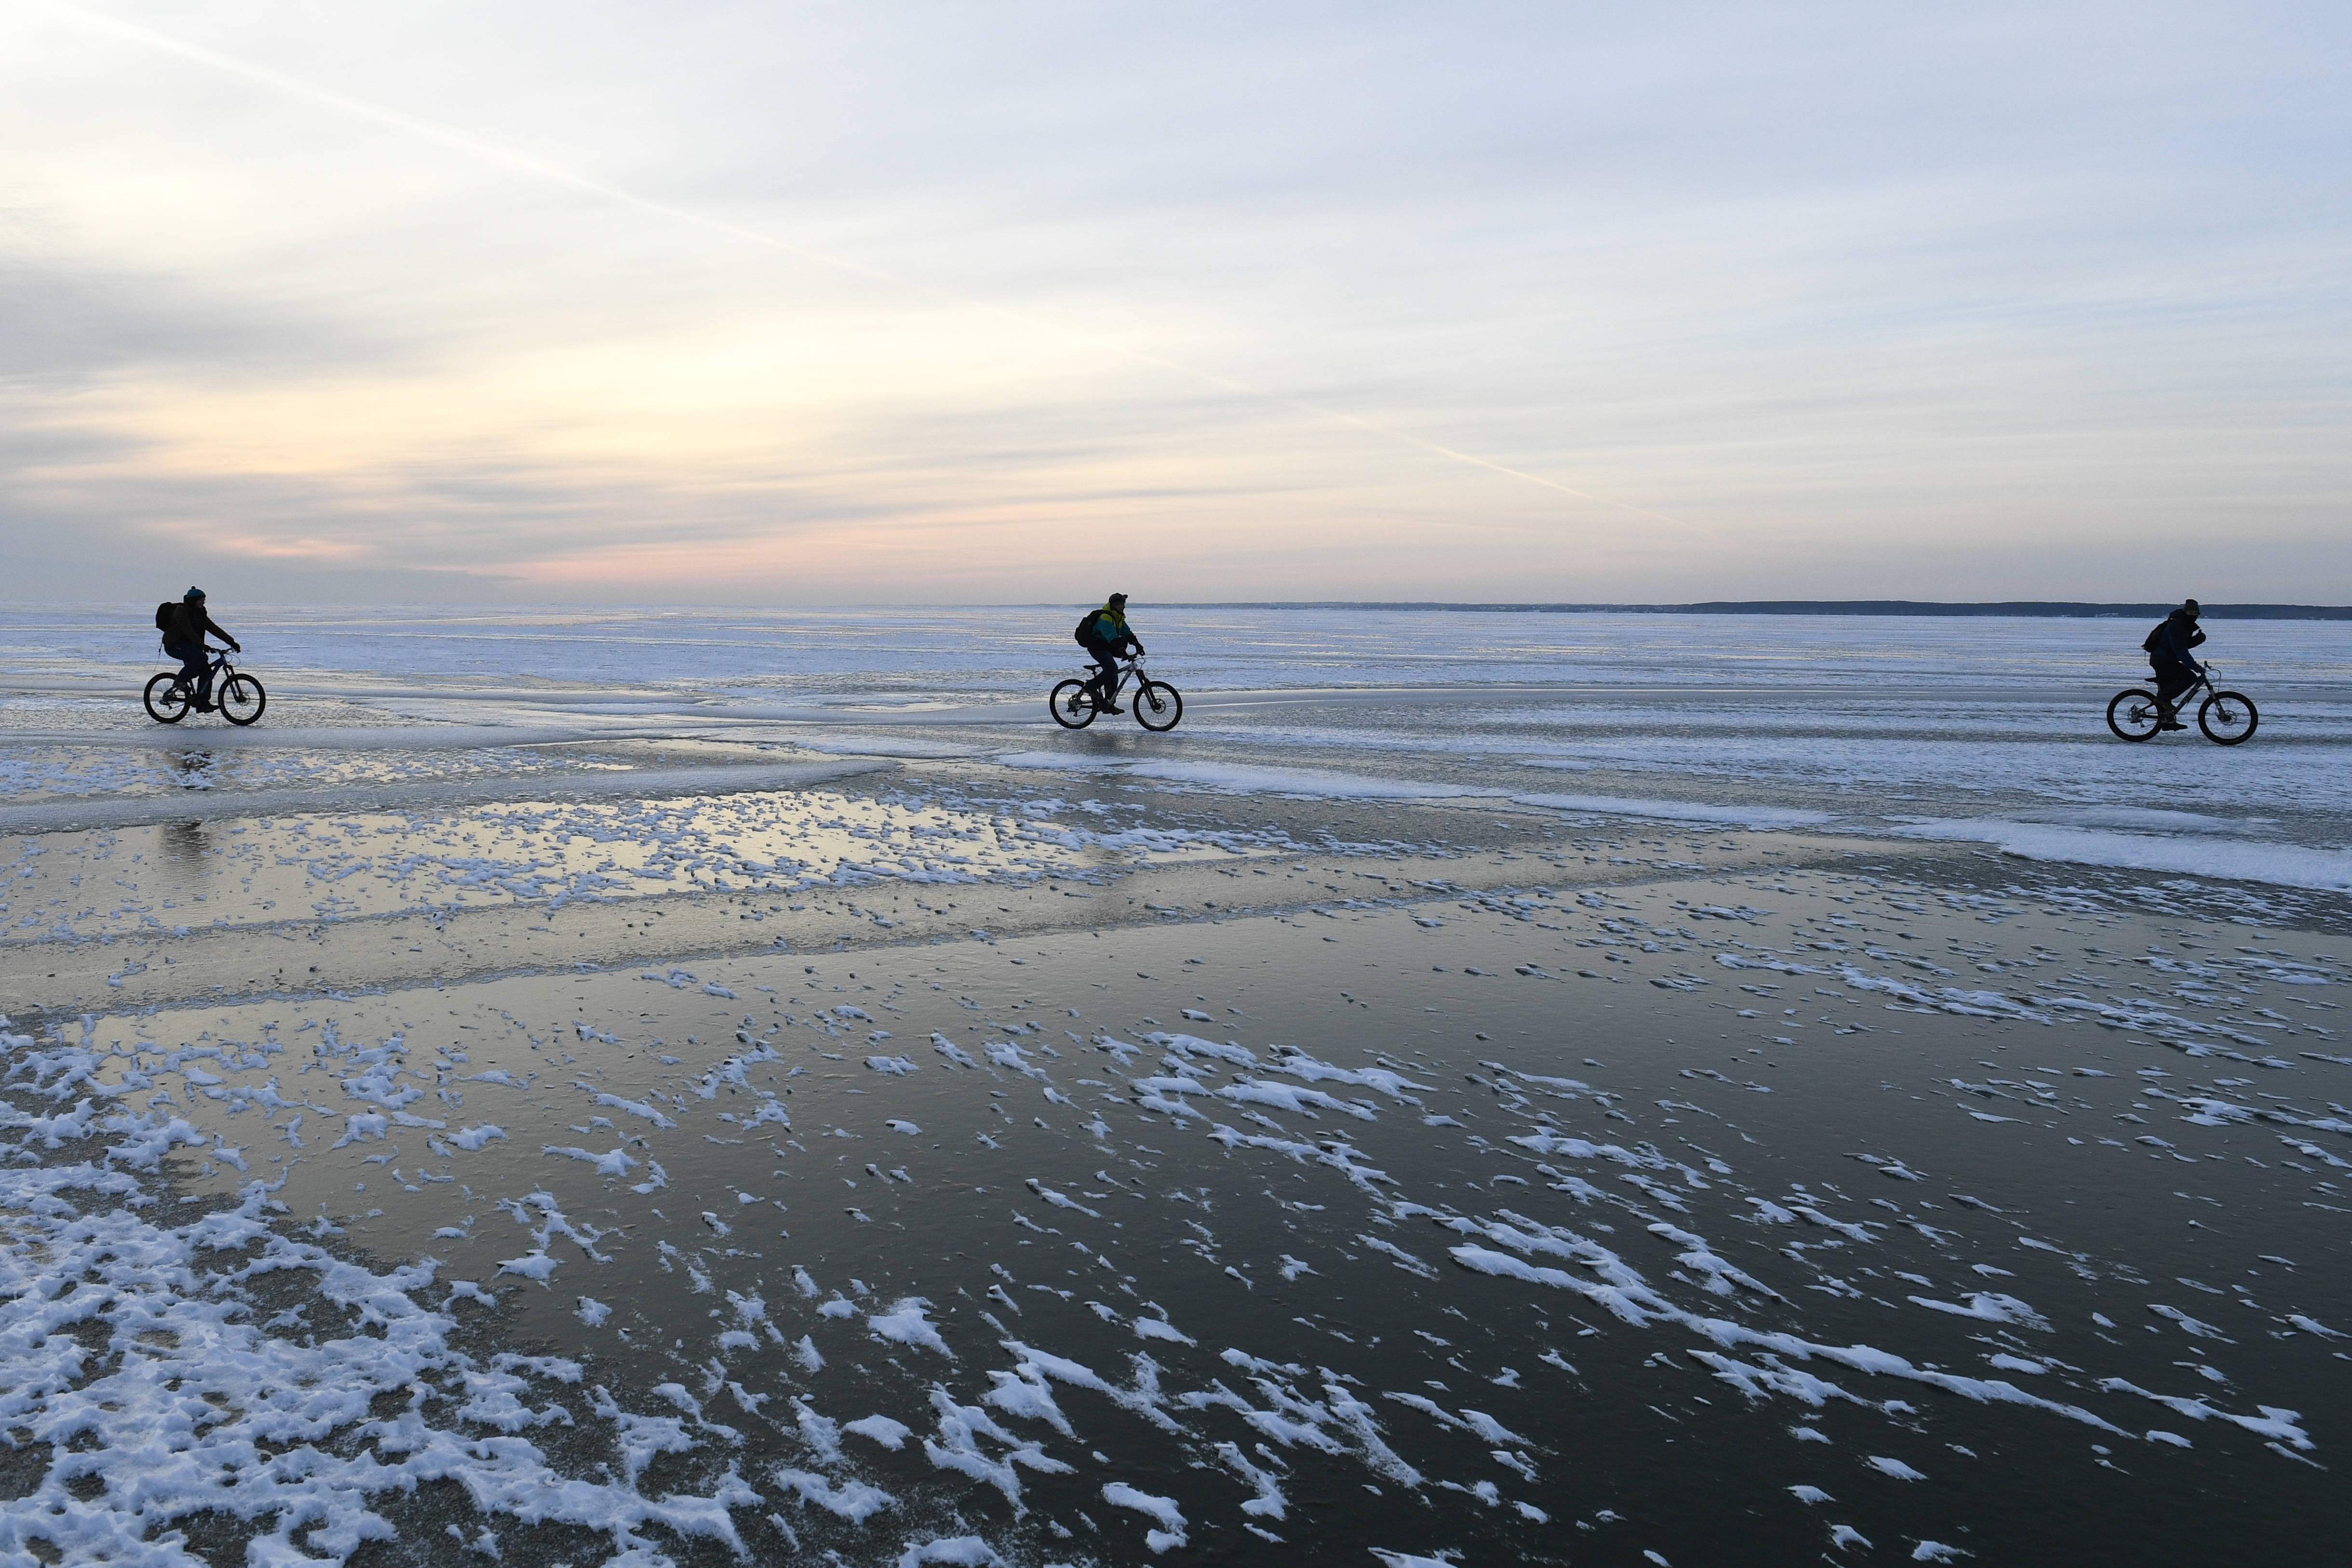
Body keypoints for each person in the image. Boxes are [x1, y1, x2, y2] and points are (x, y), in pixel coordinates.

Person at [160, 587, 239, 712]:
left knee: (206, 672)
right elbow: (187, 630)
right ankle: (180, 680)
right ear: (193, 601)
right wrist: (200, 644)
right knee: (200, 657)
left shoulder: (200, 613)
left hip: (190, 645)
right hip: (174, 645)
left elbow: (213, 628)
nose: (204, 603)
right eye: (201, 600)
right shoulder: (181, 612)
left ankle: (203, 702)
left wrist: (231, 642)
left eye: (204, 600)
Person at [1073, 593, 1143, 713]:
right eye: (1122, 604)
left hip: (1106, 647)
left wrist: (1137, 644)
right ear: (1115, 605)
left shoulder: (1119, 618)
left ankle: (1108, 704)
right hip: (1097, 648)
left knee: (1113, 675)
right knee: (1111, 669)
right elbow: (1112, 638)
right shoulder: (1105, 618)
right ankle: (1090, 687)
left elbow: (1127, 633)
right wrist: (1123, 652)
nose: (1124, 607)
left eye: (1124, 604)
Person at [2146, 597, 2206, 731]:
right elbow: (2180, 649)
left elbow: (2182, 644)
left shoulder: (2183, 624)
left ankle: (2168, 721)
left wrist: (2197, 640)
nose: (2193, 616)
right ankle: (2162, 699)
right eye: (2190, 613)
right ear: (2185, 612)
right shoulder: (2177, 625)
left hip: (2164, 659)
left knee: (2168, 689)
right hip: (2162, 660)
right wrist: (2194, 666)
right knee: (2189, 678)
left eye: (2195, 614)